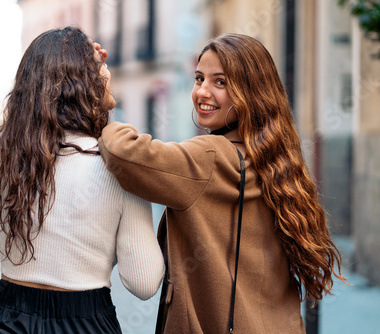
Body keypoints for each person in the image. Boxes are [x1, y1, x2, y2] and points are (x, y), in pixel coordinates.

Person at [98, 33, 346, 334]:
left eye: (221, 82)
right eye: (199, 78)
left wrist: (102, 102)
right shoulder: (277, 158)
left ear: (250, 91)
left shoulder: (211, 157)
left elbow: (124, 155)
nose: (202, 91)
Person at [0, 26, 165, 334]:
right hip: (83, 322)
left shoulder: (15, 157)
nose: (107, 69)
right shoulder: (117, 167)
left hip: (5, 319)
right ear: (84, 82)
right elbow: (144, 282)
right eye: (100, 64)